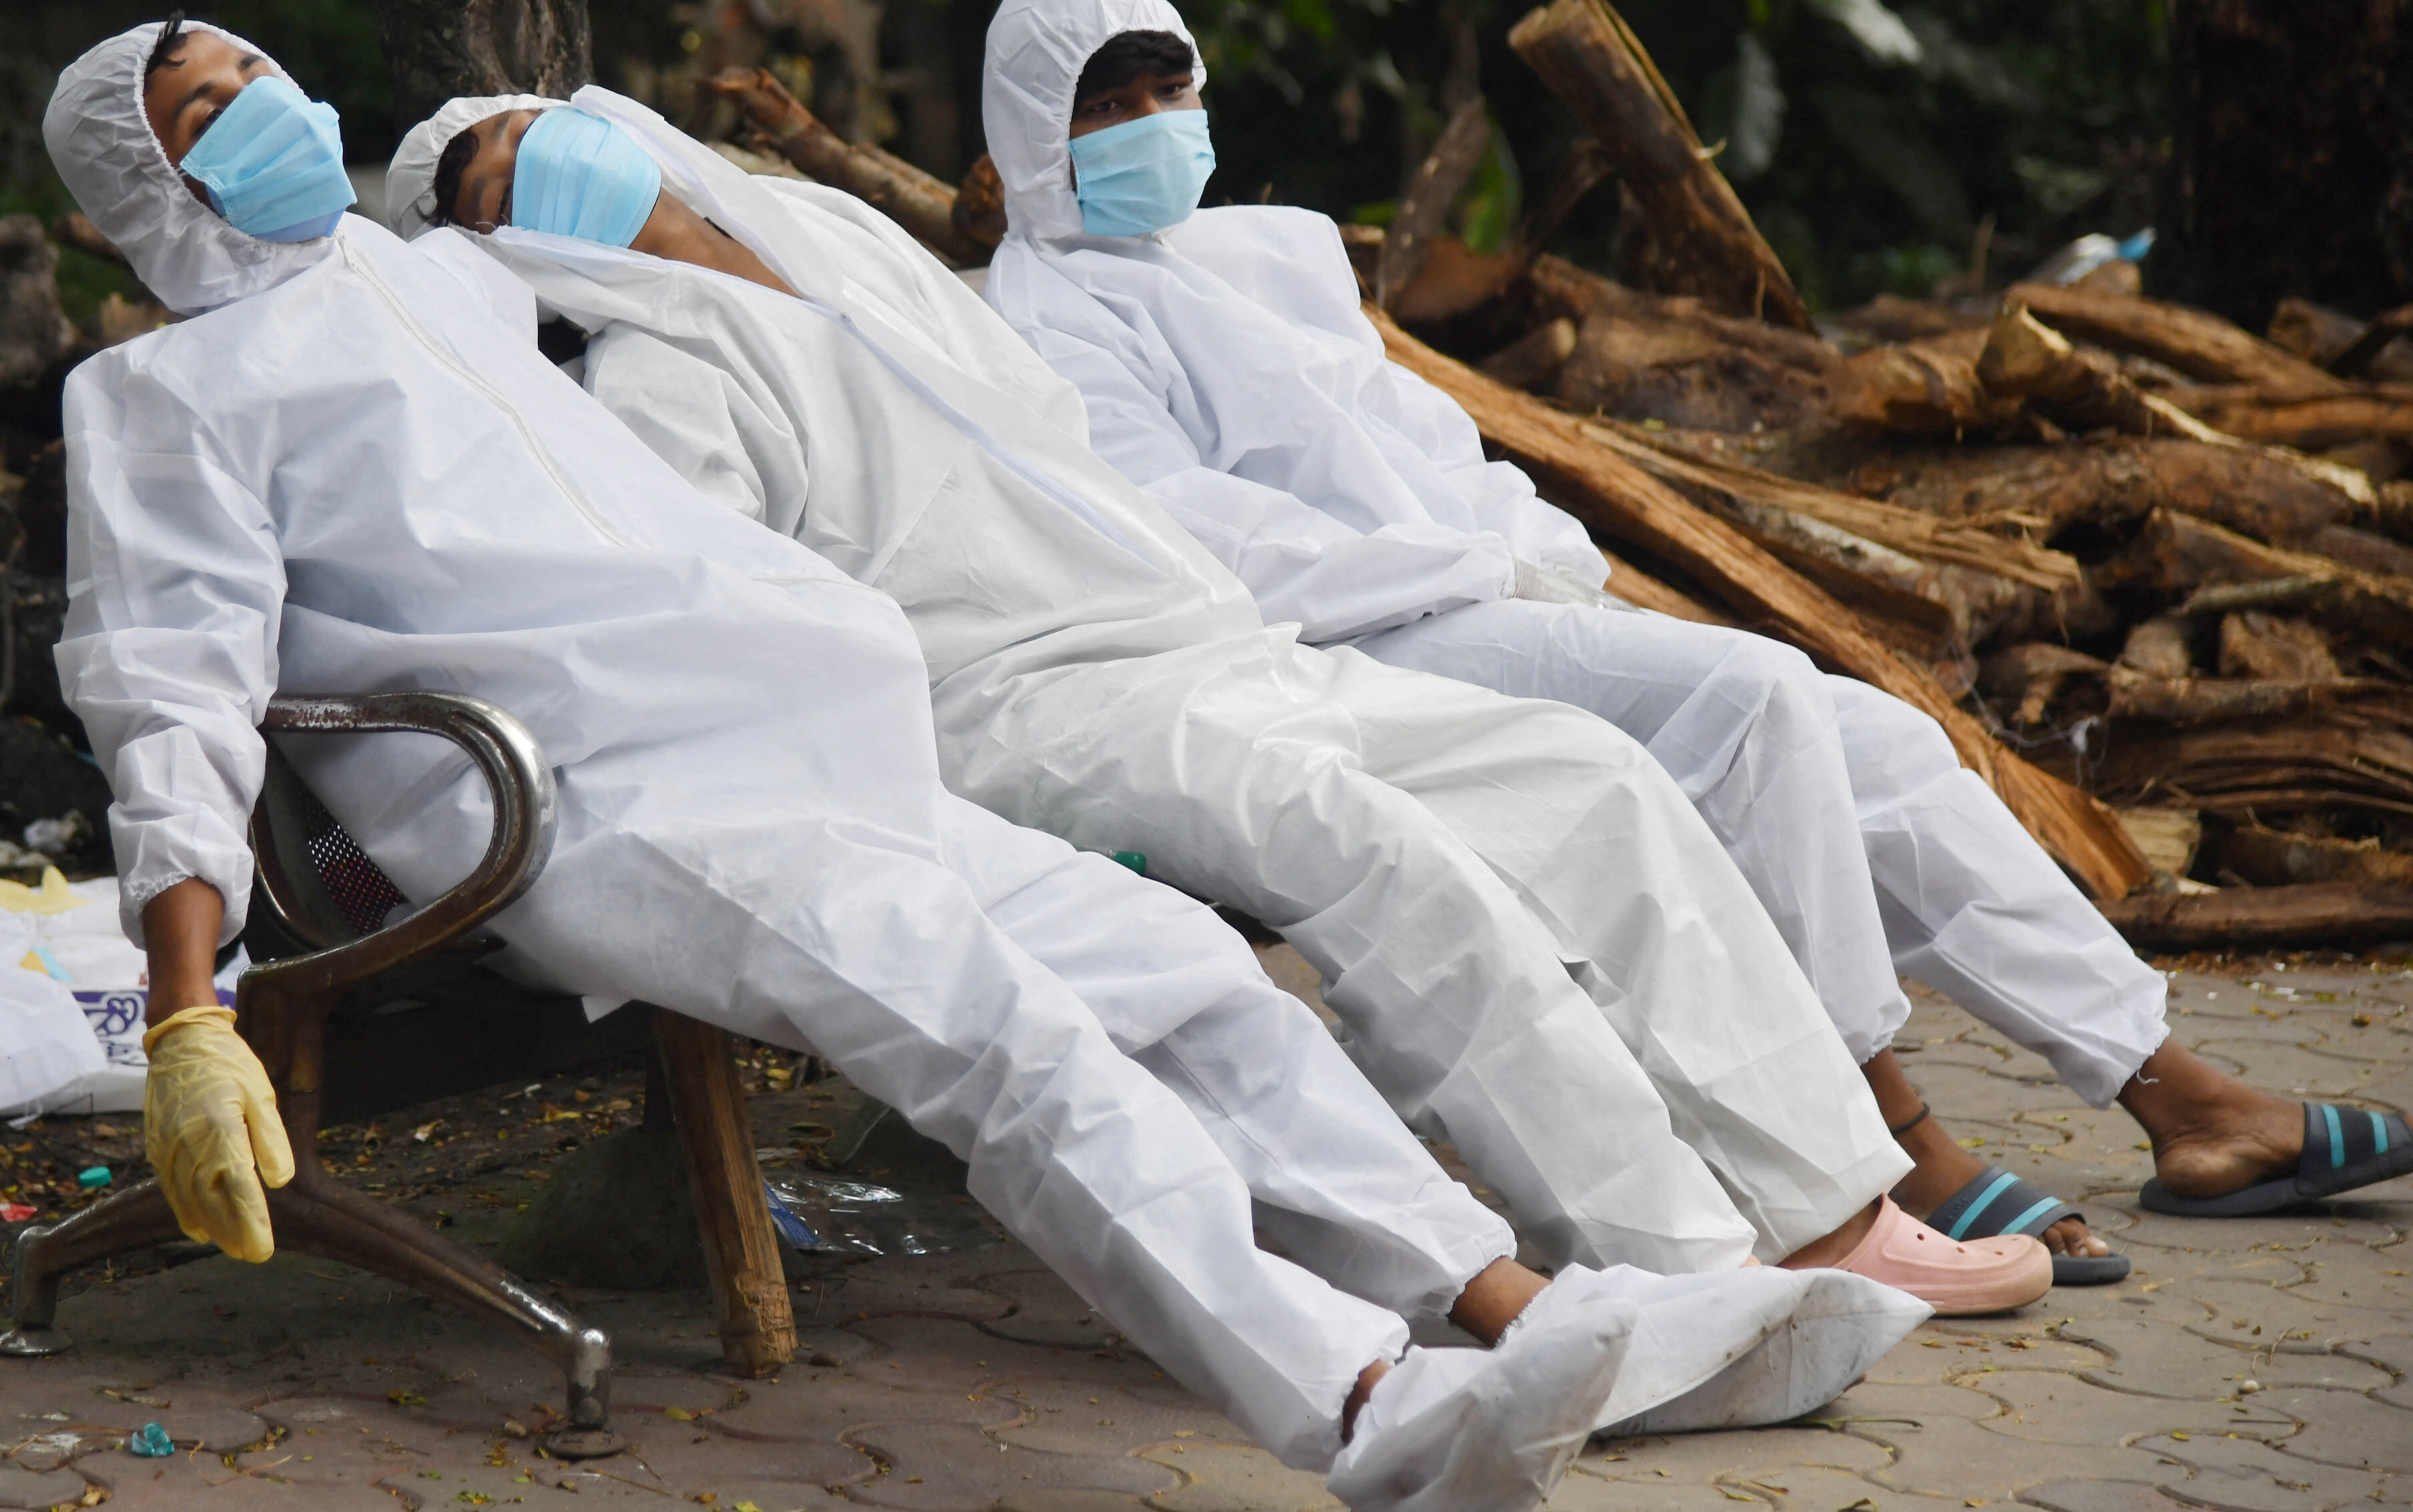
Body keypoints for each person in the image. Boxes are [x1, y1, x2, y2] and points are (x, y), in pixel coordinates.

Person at [45, 16, 1935, 1512]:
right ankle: (1359, 1403)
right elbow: (170, 684)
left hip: (808, 737)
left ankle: (1514, 1306)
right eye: (216, 109)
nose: (274, 106)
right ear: (140, 183)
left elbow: (686, 259)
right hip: (590, 802)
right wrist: (189, 1009)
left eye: (262, 71)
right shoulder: (156, 399)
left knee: (1195, 985)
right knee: (1007, 1042)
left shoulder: (429, 282)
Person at [383, 85, 2055, 1317]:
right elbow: (742, 615)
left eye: (534, 121)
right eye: (490, 176)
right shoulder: (652, 378)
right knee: (1374, 849)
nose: (534, 153)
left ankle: (1827, 1205)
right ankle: (1676, 1260)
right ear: (491, 246)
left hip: (1187, 632)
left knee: (1575, 774)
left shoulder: (842, 255)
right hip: (1017, 704)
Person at [968, 0, 2413, 1272]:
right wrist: (1474, 564)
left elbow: (1429, 448)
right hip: (1335, 649)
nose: (1160, 119)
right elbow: (1206, 543)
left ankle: (2178, 1095)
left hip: (1467, 598)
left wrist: (1517, 542)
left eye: (1172, 82)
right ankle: (1881, 1143)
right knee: (1750, 703)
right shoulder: (1048, 320)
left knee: (1880, 748)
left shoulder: (1249, 264)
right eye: (1110, 103)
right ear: (1035, 136)